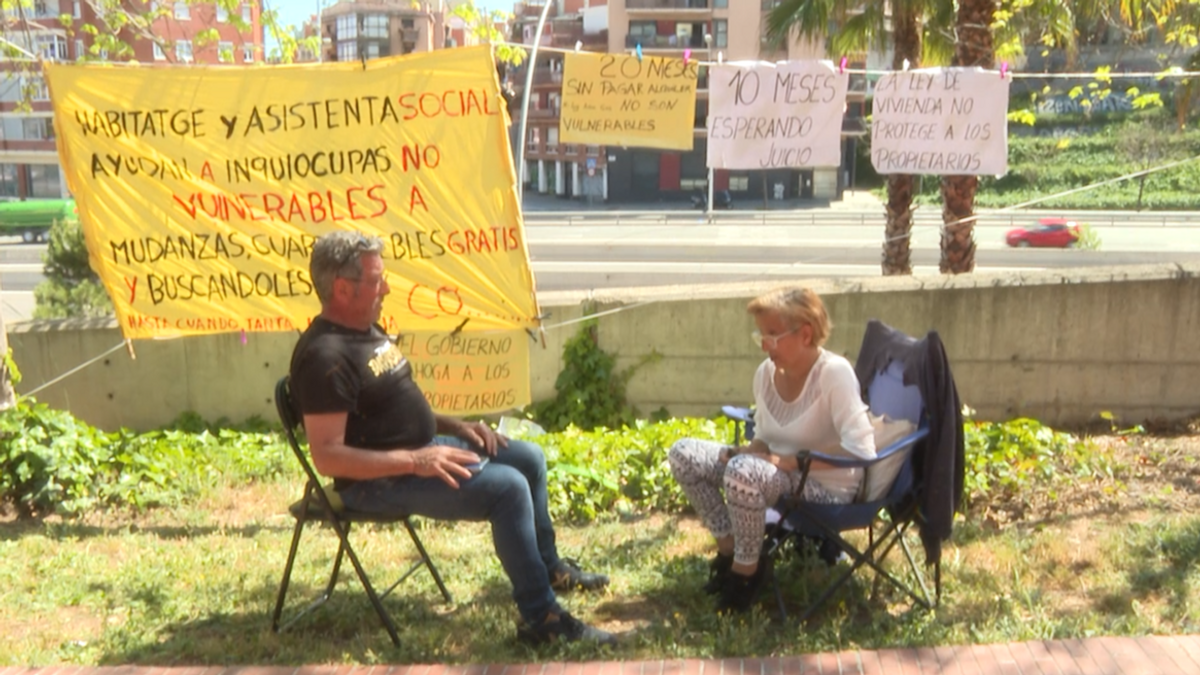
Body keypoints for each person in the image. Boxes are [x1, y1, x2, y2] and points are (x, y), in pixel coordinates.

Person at [288, 231, 615, 645]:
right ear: (341, 288)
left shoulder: (364, 329)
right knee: (508, 489)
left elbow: (395, 410)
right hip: (377, 483)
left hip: (419, 455)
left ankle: (549, 567)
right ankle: (544, 618)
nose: (386, 288)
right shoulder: (325, 357)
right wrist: (415, 461)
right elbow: (329, 457)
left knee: (527, 459)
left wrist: (458, 427)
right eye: (377, 280)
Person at [667, 286, 876, 613]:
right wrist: (750, 450)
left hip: (825, 489)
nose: (765, 345)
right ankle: (729, 548)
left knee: (743, 473)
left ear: (805, 334)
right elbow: (765, 434)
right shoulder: (765, 374)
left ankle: (746, 573)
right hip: (770, 474)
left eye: (773, 335)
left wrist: (786, 462)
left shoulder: (834, 374)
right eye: (761, 335)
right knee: (684, 454)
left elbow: (862, 451)